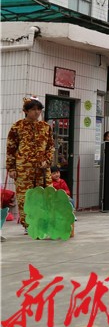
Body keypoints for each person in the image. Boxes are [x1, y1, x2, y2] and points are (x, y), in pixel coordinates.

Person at [6, 97, 54, 231]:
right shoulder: (17, 127)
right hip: (24, 169)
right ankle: (29, 225)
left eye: (39, 109)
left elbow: (50, 147)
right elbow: (11, 149)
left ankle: (45, 223)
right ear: (26, 111)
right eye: (33, 109)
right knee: (25, 197)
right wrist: (11, 168)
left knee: (46, 195)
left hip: (42, 169)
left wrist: (47, 161)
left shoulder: (45, 127)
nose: (37, 112)